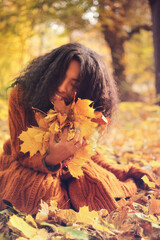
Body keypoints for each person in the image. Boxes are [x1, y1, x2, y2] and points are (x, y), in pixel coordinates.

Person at [0, 43, 154, 214]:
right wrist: (51, 159)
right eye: (58, 77)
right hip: (29, 163)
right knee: (39, 195)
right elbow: (20, 154)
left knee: (96, 190)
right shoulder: (21, 95)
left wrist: (123, 171)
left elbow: (85, 153)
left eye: (74, 84)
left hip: (71, 164)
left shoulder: (83, 107)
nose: (61, 87)